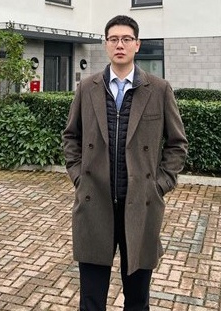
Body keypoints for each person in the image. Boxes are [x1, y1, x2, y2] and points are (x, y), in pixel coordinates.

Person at [63, 15, 188, 311]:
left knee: (137, 300)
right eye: (114, 39)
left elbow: (177, 144)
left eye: (126, 39)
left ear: (137, 45)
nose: (120, 45)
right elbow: (71, 136)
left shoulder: (158, 89)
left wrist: (159, 185)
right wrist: (80, 178)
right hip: (95, 205)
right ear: (106, 45)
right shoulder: (87, 88)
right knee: (91, 301)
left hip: (140, 207)